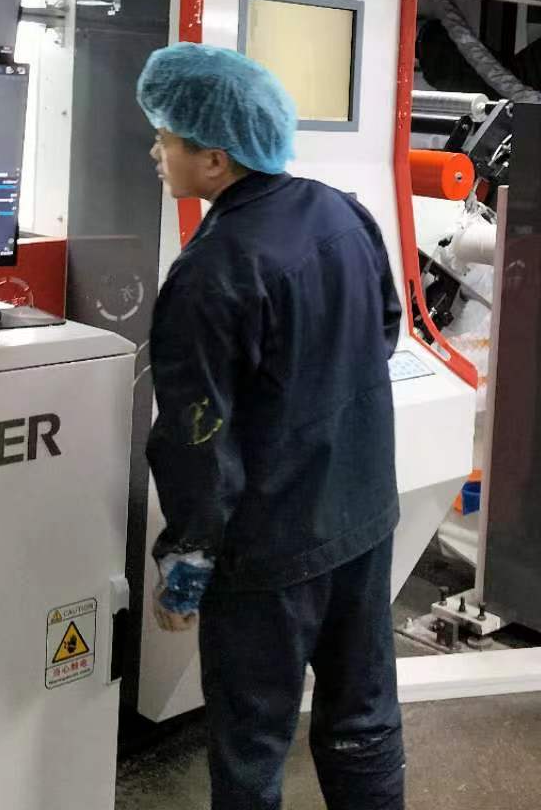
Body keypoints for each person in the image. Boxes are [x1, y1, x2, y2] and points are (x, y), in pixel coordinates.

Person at [137, 42, 406, 810]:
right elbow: (384, 329)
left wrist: (186, 568)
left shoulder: (211, 270)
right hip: (362, 520)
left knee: (253, 743)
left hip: (272, 553)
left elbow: (196, 442)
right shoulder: (340, 211)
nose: (155, 153)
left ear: (214, 159)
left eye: (164, 138)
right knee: (363, 717)